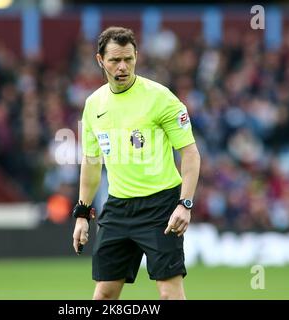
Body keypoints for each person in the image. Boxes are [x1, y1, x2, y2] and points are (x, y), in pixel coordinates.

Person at [72, 26, 200, 300]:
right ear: (100, 60)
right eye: (115, 60)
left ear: (136, 57)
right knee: (104, 295)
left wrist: (185, 204)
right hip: (118, 207)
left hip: (161, 207)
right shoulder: (93, 104)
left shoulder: (161, 98)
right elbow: (92, 161)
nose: (122, 66)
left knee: (169, 294)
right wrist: (82, 214)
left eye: (128, 59)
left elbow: (190, 153)